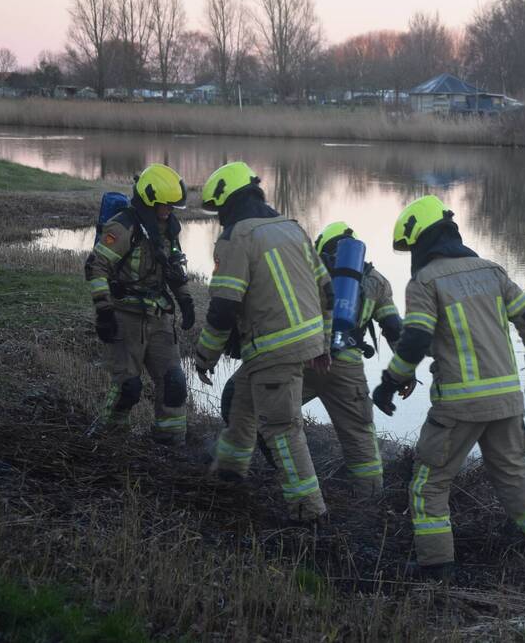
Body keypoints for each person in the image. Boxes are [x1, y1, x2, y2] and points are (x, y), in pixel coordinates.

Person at [371, 195, 525, 583]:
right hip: (506, 400)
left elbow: (415, 339)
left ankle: (436, 567)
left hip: (460, 406)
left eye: (412, 247)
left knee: (428, 484)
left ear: (422, 240)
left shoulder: (424, 282)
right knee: (516, 476)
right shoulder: (492, 270)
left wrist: (390, 381)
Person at [193, 161, 330, 523]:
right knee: (242, 408)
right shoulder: (292, 228)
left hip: (273, 348)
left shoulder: (236, 237)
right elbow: (326, 289)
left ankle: (309, 513)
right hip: (303, 342)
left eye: (218, 210)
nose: (219, 218)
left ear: (227, 202)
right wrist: (323, 342)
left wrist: (206, 354)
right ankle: (229, 475)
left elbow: (224, 307)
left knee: (282, 431)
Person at [84, 163, 194, 445]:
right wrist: (104, 311)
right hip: (125, 318)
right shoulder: (123, 226)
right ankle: (109, 439)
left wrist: (186, 300)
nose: (169, 210)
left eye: (173, 206)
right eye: (165, 205)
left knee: (174, 384)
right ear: (149, 199)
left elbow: (173, 268)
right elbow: (97, 268)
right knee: (128, 388)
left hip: (159, 318)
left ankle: (171, 444)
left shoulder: (168, 230)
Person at [301, 222, 403, 497]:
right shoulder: (378, 281)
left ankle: (268, 473)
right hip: (347, 368)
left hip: (306, 360)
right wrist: (406, 373)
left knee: (268, 414)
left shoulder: (308, 272)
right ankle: (369, 499)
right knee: (360, 437)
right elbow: (394, 329)